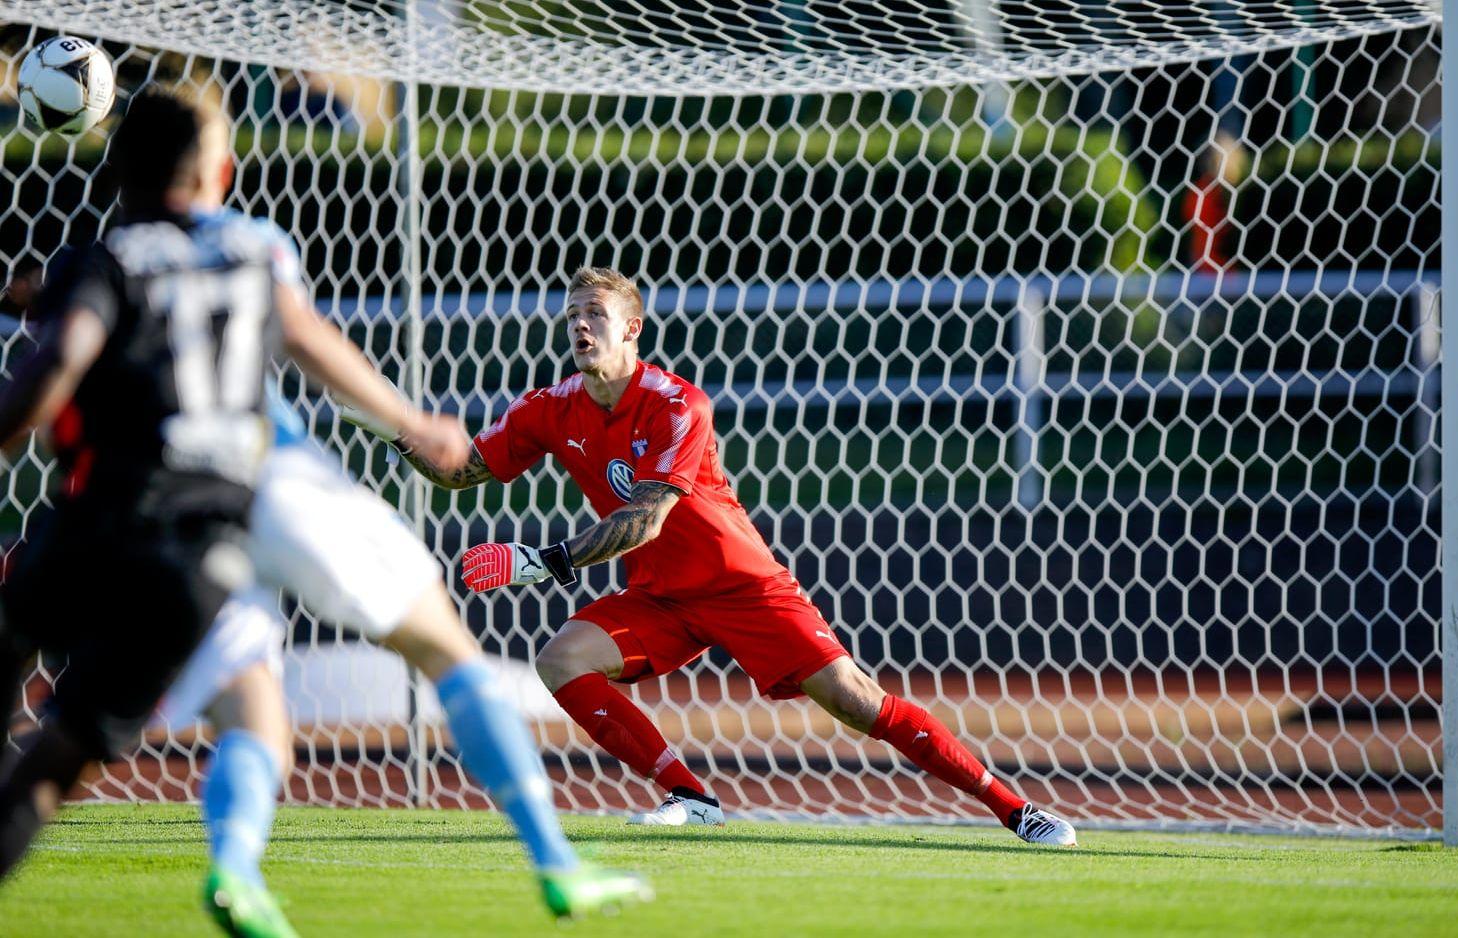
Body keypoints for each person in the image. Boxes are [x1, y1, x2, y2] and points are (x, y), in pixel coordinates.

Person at [379, 266, 1077, 845]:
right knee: (561, 659)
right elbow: (464, 469)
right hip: (661, 597)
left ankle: (1015, 810)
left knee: (857, 700)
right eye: (572, 317)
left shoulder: (678, 403)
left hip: (742, 584)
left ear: (632, 328)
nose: (580, 327)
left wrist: (544, 560)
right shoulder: (550, 406)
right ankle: (691, 796)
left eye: (595, 314)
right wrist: (395, 427)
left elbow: (645, 518)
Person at [0, 83, 468, 916]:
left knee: (11, 640)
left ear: (115, 170)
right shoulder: (253, 263)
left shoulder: (105, 260)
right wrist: (413, 421)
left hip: (96, 521)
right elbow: (309, 336)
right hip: (199, 553)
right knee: (57, 762)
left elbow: (63, 359)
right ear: (219, 174)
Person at [157, 383, 652, 933]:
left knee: (250, 716)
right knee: (450, 652)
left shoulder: (99, 326)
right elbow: (303, 338)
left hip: (167, 511)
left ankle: (234, 872)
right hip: (275, 478)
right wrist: (407, 421)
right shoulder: (226, 317)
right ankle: (558, 863)